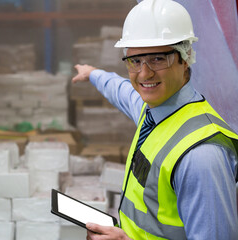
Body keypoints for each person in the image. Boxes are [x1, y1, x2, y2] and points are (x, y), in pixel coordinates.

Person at [71, 0, 238, 239]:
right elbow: (123, 92)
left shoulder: (201, 155)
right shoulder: (154, 110)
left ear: (185, 58)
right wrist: (94, 74)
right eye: (134, 61)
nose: (144, 73)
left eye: (158, 59)